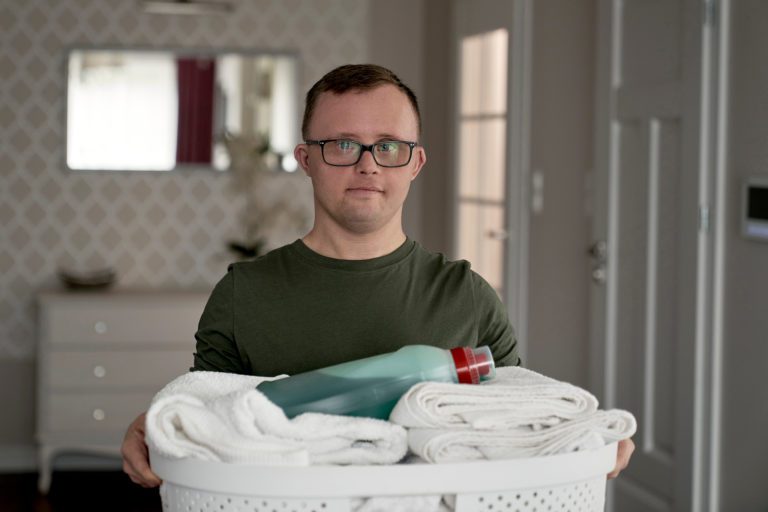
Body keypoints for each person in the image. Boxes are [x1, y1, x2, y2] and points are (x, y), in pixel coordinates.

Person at [121, 64, 634, 487]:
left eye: (389, 146)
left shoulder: (466, 296)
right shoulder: (243, 293)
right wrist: (153, 430)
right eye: (343, 145)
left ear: (416, 163)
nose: (368, 165)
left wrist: (586, 436)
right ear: (306, 159)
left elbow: (520, 420)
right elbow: (206, 418)